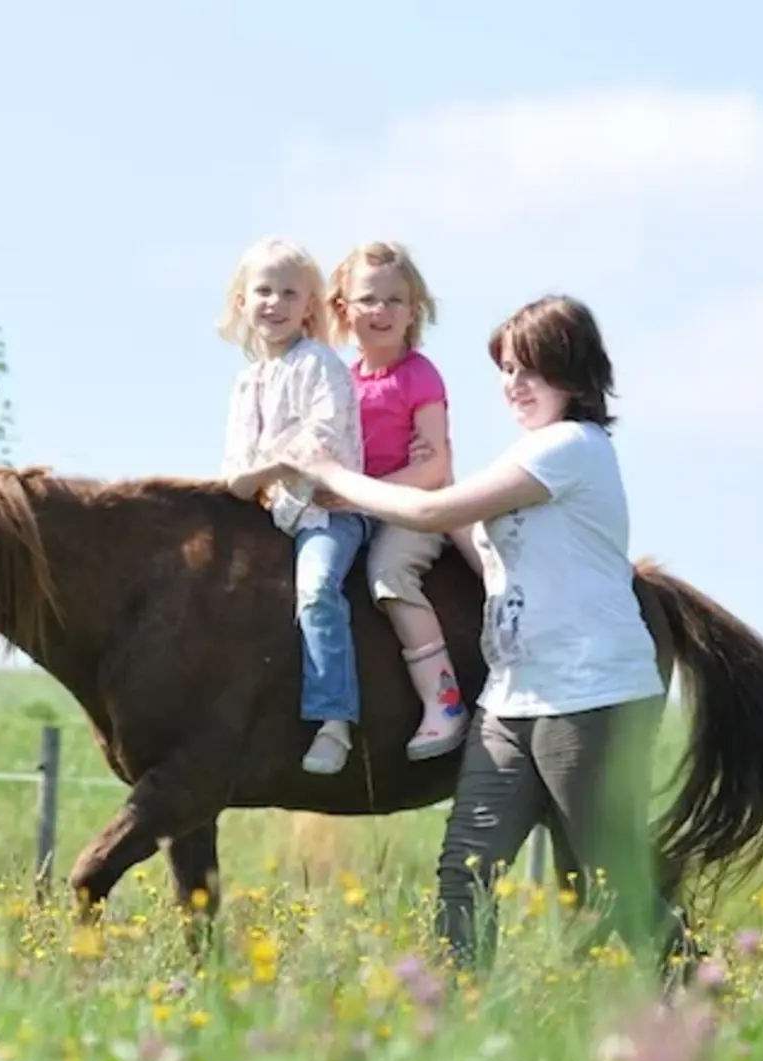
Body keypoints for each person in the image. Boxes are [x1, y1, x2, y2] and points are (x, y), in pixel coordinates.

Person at [255, 294, 678, 970]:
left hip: (590, 694)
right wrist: (417, 481)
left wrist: (339, 477)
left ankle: (701, 991)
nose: (513, 384)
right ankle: (457, 1012)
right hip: (511, 698)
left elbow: (429, 510)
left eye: (530, 369)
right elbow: (466, 534)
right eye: (507, 370)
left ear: (574, 371)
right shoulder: (530, 454)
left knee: (612, 881)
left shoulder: (573, 448)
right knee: (465, 869)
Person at [217, 236, 368, 776]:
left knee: (316, 588)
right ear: (242, 301)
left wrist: (267, 471)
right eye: (263, 291)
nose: (274, 303)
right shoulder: (247, 382)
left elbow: (320, 436)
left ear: (310, 306)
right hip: (270, 516)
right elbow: (234, 471)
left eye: (289, 293)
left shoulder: (319, 364)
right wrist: (255, 476)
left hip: (328, 513)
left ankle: (334, 720)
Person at [325, 240, 469, 761]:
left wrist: (367, 495)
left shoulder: (419, 375)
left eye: (394, 300)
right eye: (368, 299)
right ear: (343, 309)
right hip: (361, 509)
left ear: (414, 311)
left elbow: (435, 467)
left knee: (390, 575)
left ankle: (444, 700)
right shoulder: (341, 379)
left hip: (415, 507)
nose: (381, 311)